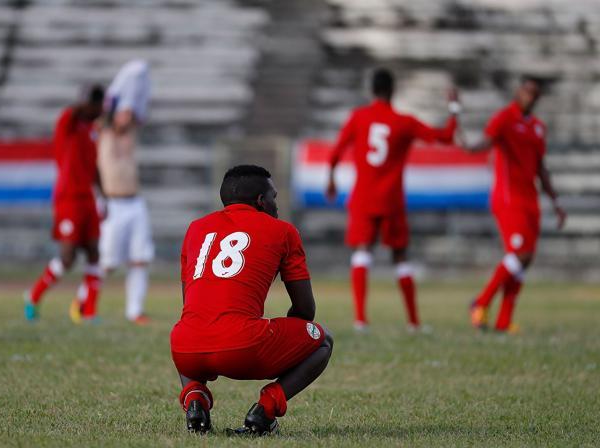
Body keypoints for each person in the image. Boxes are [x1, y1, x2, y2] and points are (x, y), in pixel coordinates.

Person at [170, 165, 333, 435]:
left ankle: (195, 398)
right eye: (274, 198)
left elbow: (191, 305)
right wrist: (282, 340)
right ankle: (264, 412)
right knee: (323, 339)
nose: (276, 205)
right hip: (243, 345)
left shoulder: (195, 228)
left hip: (185, 348)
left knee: (192, 327)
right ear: (261, 201)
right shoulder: (283, 231)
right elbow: (306, 309)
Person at [326, 68, 459, 332]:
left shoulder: (358, 117)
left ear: (372, 90)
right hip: (391, 200)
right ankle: (413, 322)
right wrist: (454, 109)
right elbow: (445, 137)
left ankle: (360, 320)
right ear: (392, 91)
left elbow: (336, 152)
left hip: (363, 197)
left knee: (362, 253)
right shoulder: (404, 122)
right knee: (401, 257)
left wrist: (330, 179)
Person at [464, 76, 566, 333]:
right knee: (519, 254)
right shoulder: (504, 118)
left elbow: (541, 167)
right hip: (508, 198)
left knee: (526, 259)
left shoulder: (538, 128)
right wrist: (470, 147)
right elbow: (486, 141)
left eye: (535, 93)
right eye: (527, 91)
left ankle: (503, 320)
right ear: (518, 92)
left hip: (530, 198)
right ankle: (481, 302)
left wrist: (555, 201)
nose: (531, 96)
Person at [24, 85, 105, 323]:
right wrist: (88, 97)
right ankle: (33, 295)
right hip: (68, 198)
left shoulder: (91, 130)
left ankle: (89, 312)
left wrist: (103, 195)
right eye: (99, 105)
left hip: (87, 199)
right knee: (68, 257)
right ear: (90, 105)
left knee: (94, 253)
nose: (102, 110)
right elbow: (76, 109)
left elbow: (93, 165)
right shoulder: (67, 123)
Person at [98, 60, 154, 324]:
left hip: (135, 202)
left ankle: (135, 310)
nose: (128, 116)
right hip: (114, 204)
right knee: (107, 262)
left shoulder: (131, 131)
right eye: (124, 112)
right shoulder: (104, 131)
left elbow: (140, 82)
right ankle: (87, 303)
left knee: (140, 258)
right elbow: (116, 93)